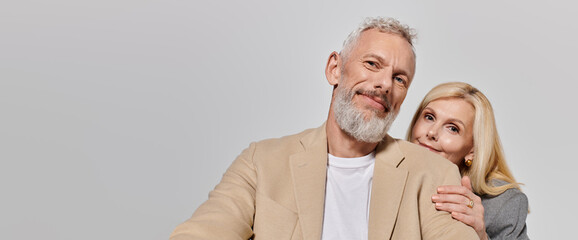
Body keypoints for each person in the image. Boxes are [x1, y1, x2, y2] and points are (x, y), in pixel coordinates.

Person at [170, 18, 478, 239]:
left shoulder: (431, 172)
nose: (384, 84)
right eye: (372, 64)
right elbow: (206, 230)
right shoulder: (261, 161)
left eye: (400, 79)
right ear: (335, 68)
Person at [406, 82, 530, 240]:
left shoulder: (502, 204)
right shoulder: (379, 166)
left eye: (452, 128)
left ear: (472, 150)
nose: (431, 133)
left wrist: (480, 235)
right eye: (429, 117)